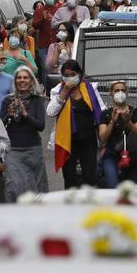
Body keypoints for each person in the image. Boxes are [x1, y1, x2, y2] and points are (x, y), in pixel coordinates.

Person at [47, 61, 103, 189]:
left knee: (89, 177)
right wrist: (64, 93)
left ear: (79, 74)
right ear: (62, 77)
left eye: (73, 74)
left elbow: (102, 110)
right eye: (66, 75)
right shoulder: (57, 91)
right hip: (67, 141)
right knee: (70, 178)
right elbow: (50, 112)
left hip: (88, 140)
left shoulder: (90, 89)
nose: (70, 78)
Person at [1, 68, 49, 201]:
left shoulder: (37, 100)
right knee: (14, 186)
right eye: (19, 78)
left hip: (33, 149)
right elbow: (0, 126)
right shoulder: (7, 100)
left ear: (31, 81)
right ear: (15, 81)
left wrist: (25, 114)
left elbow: (41, 126)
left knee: (36, 186)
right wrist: (8, 114)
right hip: (13, 150)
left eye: (25, 78)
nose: (22, 80)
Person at [98, 81, 137, 187]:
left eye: (123, 90)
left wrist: (128, 122)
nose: (120, 93)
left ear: (127, 93)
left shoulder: (134, 111)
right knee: (113, 187)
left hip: (132, 156)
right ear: (111, 93)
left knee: (130, 191)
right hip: (111, 156)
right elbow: (102, 138)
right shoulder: (106, 113)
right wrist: (112, 121)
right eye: (116, 90)